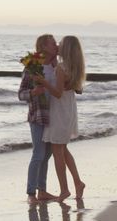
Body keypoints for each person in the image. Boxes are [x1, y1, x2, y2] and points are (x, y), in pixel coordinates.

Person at [35, 35, 86, 202]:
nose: (57, 45)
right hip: (68, 110)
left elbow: (57, 93)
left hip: (59, 113)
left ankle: (64, 190)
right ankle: (78, 183)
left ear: (66, 49)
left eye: (60, 44)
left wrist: (43, 82)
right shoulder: (75, 67)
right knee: (63, 150)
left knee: (58, 152)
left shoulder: (61, 68)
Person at [18, 34, 59, 204]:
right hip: (38, 116)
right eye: (53, 43)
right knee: (38, 154)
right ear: (43, 46)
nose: (56, 45)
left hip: (56, 115)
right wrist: (33, 93)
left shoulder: (57, 65)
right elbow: (21, 94)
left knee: (47, 154)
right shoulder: (32, 66)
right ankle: (30, 193)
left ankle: (42, 191)